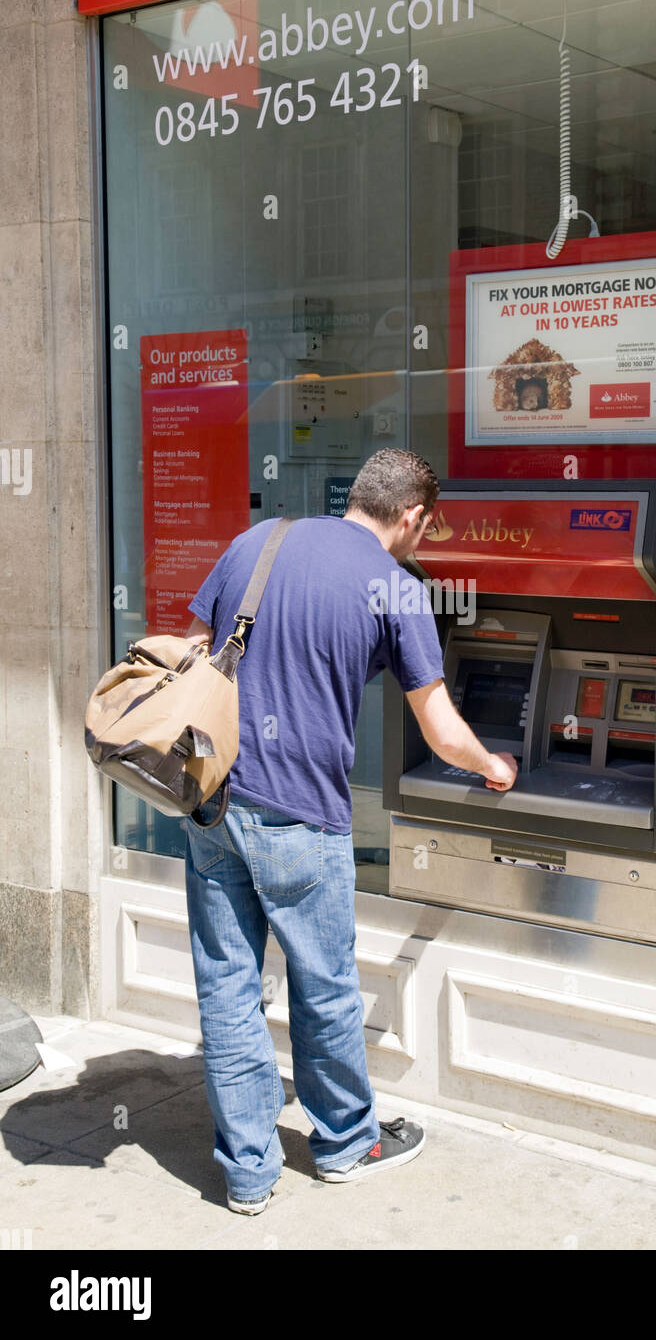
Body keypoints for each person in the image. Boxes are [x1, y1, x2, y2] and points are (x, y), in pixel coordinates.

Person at [183, 448, 518, 1215]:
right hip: (303, 814)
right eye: (424, 530)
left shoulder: (257, 542)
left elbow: (197, 650)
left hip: (213, 799)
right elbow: (439, 732)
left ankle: (247, 1174)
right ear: (411, 517)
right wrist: (494, 765)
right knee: (324, 984)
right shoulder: (394, 589)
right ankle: (345, 1143)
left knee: (227, 985)